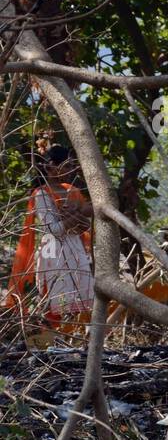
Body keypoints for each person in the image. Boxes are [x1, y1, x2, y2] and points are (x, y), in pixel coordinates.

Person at [4, 143, 94, 333]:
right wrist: (76, 214)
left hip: (76, 251)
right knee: (55, 305)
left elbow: (85, 226)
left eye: (72, 165)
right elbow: (53, 228)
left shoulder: (73, 191)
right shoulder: (42, 194)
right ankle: (49, 347)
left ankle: (77, 346)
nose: (72, 170)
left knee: (82, 304)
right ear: (51, 166)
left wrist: (75, 214)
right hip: (53, 253)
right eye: (67, 165)